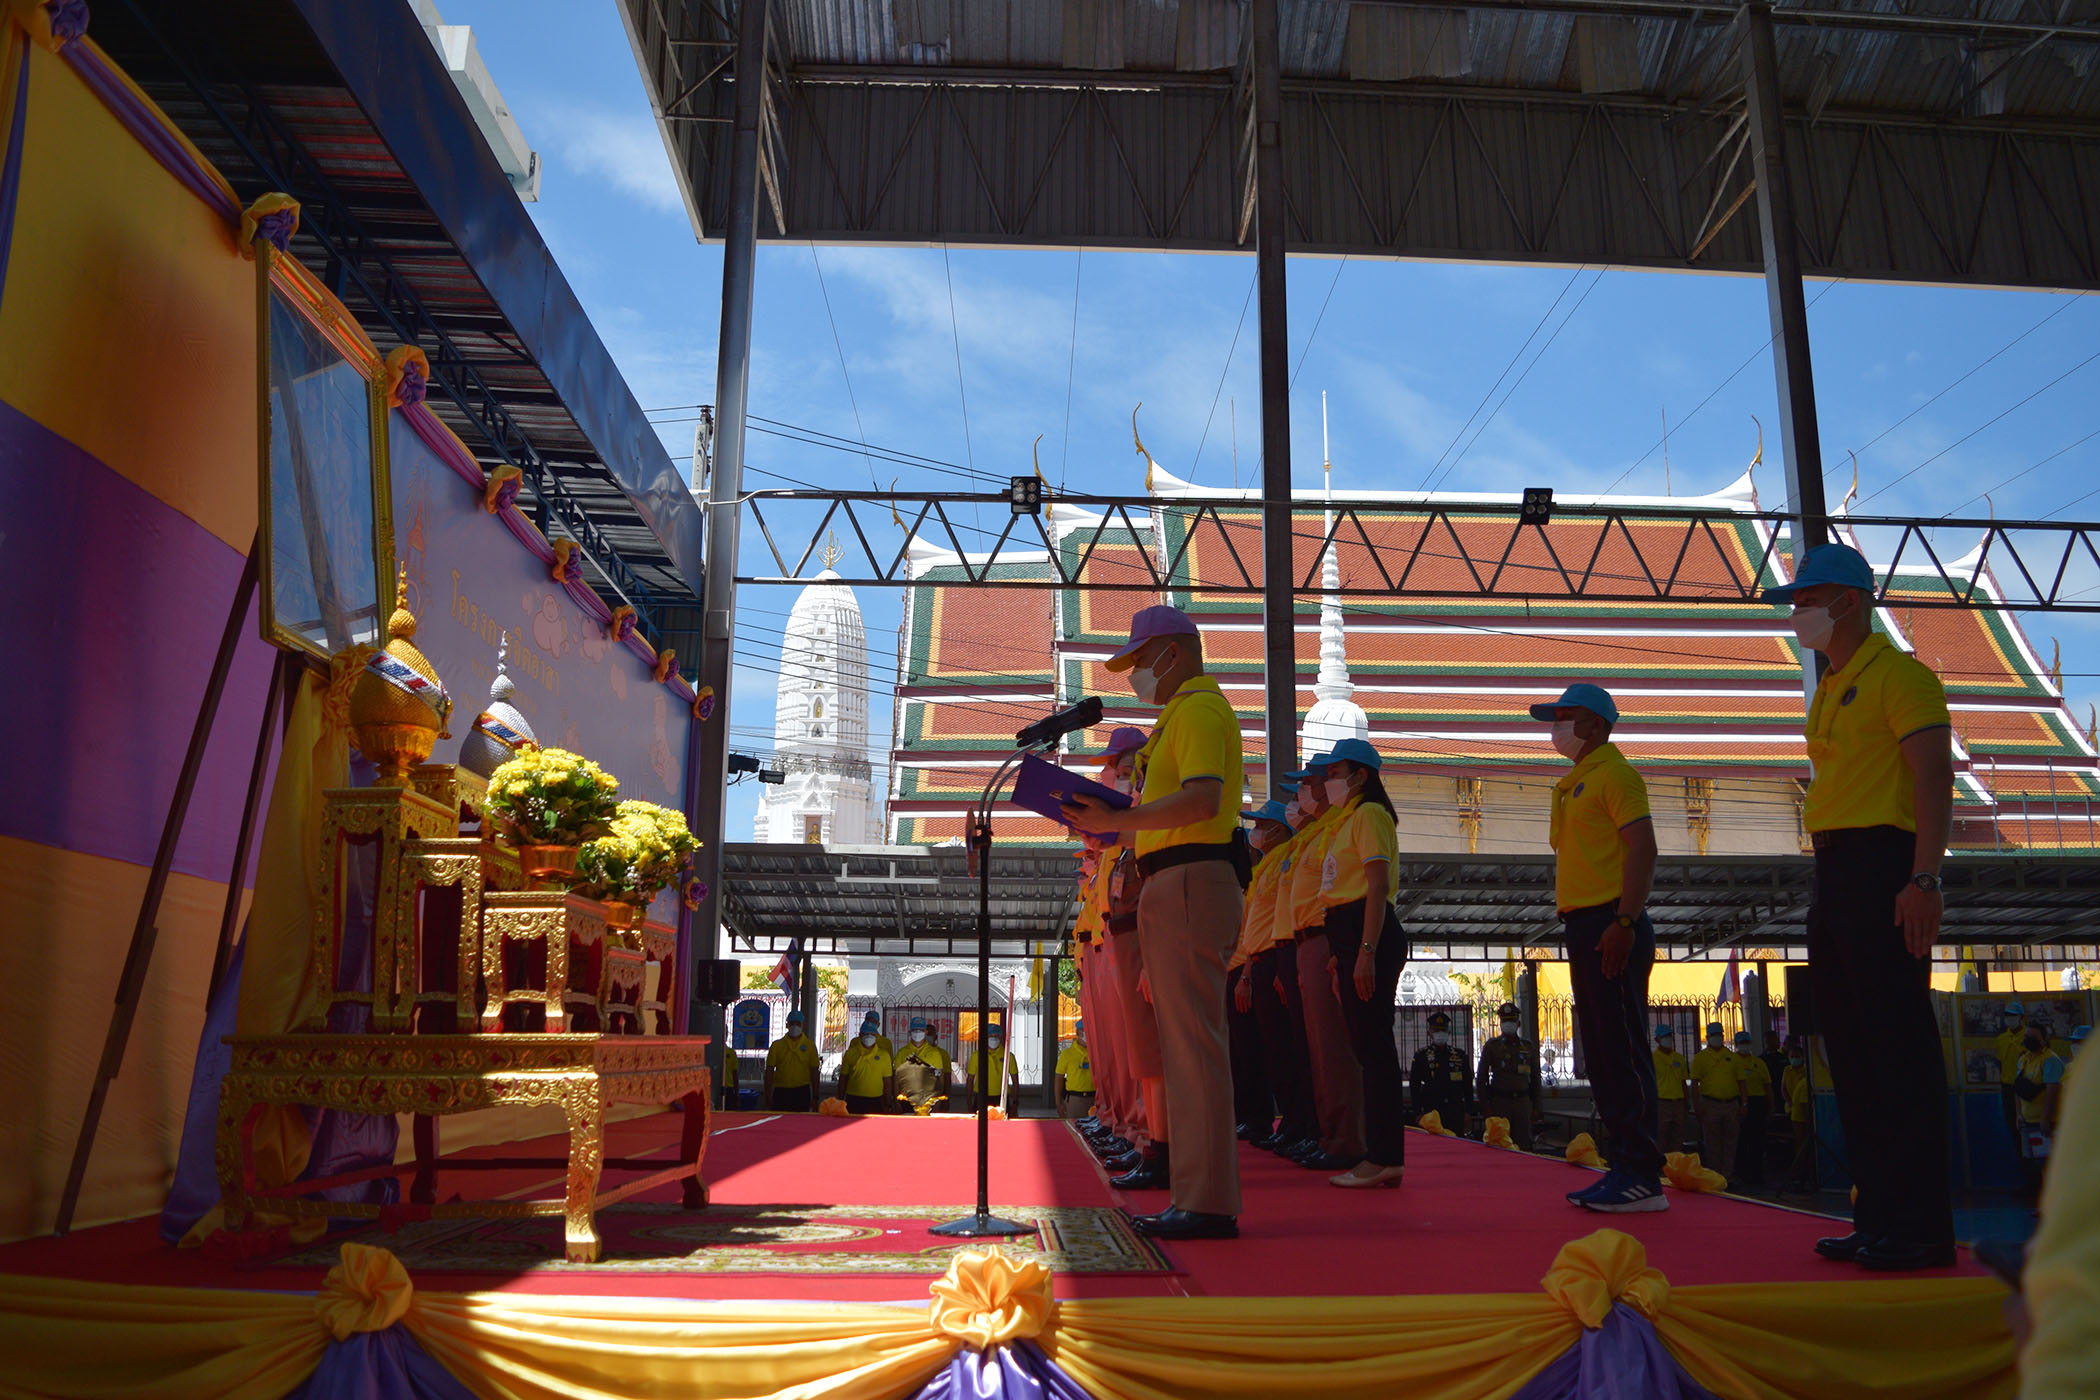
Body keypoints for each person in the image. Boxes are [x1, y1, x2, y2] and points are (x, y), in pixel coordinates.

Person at [1766, 542, 1956, 1270]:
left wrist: (1924, 879)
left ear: (1848, 602)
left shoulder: (1901, 677)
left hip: (1887, 865)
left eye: (1806, 600)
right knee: (1851, 1053)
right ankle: (1876, 1216)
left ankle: (1922, 1229)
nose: (1796, 614)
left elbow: (1932, 776)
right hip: (1835, 870)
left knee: (1897, 1050)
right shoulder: (1832, 685)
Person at [1065, 604, 1247, 1240]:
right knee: (1182, 1047)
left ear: (1174, 651)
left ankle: (1207, 1199)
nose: (1137, 673)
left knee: (1193, 1047)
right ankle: (1197, 1192)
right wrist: (1112, 826)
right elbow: (1172, 813)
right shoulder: (1176, 719)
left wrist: (1121, 821)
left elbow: (1202, 799)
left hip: (1192, 879)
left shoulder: (1197, 710)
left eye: (1141, 659)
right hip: (1172, 881)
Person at [1533, 683, 1667, 1214]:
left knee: (1623, 1049)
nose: (1556, 729)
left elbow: (1644, 848)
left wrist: (1625, 919)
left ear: (1596, 724)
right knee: (1604, 1051)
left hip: (1612, 920)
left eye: (1565, 717)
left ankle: (1641, 1174)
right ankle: (1624, 1168)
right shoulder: (1579, 781)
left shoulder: (1615, 775)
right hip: (1586, 923)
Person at [1312, 739, 1410, 1188]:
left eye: (1336, 773)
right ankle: (1381, 1155)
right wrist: (1342, 956)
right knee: (1366, 1048)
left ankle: (1384, 1155)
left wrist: (1366, 952)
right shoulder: (1348, 819)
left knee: (1375, 1050)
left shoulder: (1370, 814)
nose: (1328, 781)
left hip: (1368, 929)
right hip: (1348, 932)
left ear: (1361, 775)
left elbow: (1376, 886)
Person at [1279, 751, 1367, 1173]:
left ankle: (1345, 1138)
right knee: (1314, 1049)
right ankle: (1325, 1134)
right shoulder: (1314, 834)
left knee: (1333, 1047)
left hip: (1325, 936)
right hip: (1303, 941)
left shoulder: (1345, 824)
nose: (1302, 794)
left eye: (1310, 782)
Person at [2018, 1017, 2100, 1397]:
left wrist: (2047, 1120)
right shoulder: (2029, 1059)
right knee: (2037, 1167)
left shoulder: (2075, 1067)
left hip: (2049, 1122)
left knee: (2049, 1168)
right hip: (2031, 1120)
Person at [1234, 797, 1319, 1156]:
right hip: (1262, 961)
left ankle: (1302, 1124)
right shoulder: (1266, 867)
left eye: (1262, 826)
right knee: (1273, 1050)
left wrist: (1265, 970)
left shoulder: (1288, 858)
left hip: (1276, 957)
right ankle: (1292, 1124)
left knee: (1288, 1049)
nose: (1256, 833)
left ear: (1279, 830)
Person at [2012, 1023, 2068, 1202]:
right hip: (2027, 1123)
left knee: (2047, 1164)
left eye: (2033, 1037)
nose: (2028, 1040)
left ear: (2044, 1041)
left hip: (2044, 1124)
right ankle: (2039, 1201)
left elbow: (2052, 1090)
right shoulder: (2024, 1060)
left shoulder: (2050, 1060)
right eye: (2026, 1036)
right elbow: (2018, 1089)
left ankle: (2054, 1202)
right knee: (2031, 1164)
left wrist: (2045, 1119)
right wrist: (2019, 1114)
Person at [1478, 1001, 1542, 1150]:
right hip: (1500, 1103)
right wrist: (1486, 1107)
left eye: (1511, 1021)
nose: (1508, 1024)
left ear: (1518, 1023)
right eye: (1505, 1021)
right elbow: (1481, 1078)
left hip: (1522, 1103)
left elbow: (1535, 1078)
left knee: (1524, 1145)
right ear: (1500, 1024)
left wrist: (1536, 1106)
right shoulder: (1492, 1046)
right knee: (1500, 1144)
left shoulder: (1527, 1047)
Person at [1691, 1021, 1745, 1180]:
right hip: (1710, 1105)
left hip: (1731, 1105)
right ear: (1707, 1037)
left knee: (1730, 1143)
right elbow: (1694, 1083)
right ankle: (1714, 1177)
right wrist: (1697, 1105)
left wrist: (1744, 1103)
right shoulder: (1700, 1058)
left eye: (1719, 1035)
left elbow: (1742, 1083)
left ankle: (1727, 1176)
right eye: (1714, 1035)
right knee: (1712, 1143)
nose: (1717, 1038)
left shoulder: (1733, 1057)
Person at [1411, 1011, 1473, 1136]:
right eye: (1436, 1030)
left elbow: (1467, 1085)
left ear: (1448, 1032)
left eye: (1443, 1030)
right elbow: (1414, 1086)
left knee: (1456, 1143)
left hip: (1455, 1111)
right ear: (1429, 1033)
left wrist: (1469, 1112)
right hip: (1431, 1112)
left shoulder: (1459, 1055)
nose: (1440, 1033)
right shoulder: (1421, 1056)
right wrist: (1417, 1112)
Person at [1734, 1029, 1773, 1187]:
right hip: (1740, 1103)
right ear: (1736, 1044)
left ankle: (1757, 1175)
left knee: (1757, 1142)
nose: (1744, 1046)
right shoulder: (1733, 1062)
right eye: (1741, 1043)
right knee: (1741, 1141)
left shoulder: (1759, 1063)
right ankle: (1742, 1175)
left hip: (1758, 1103)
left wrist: (1771, 1106)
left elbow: (1767, 1086)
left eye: (1746, 1043)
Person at [763, 1010, 821, 1112]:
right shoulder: (777, 1046)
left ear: (803, 1025)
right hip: (781, 1091)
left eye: (798, 1023)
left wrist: (815, 1097)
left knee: (800, 1121)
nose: (795, 1026)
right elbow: (769, 1072)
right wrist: (768, 1095)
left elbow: (815, 1072)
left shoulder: (810, 1046)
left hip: (802, 1091)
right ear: (787, 1025)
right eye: (792, 1023)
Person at [1781, 1037, 1816, 1194]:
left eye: (1797, 1056)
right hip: (1795, 1111)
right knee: (1800, 1143)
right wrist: (1790, 1103)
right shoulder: (1787, 1071)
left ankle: (1807, 1173)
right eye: (1792, 1056)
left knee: (1806, 1144)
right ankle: (1800, 1173)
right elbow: (1784, 1089)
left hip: (1803, 1110)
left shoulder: (1808, 1073)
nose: (1794, 1059)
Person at [894, 1016, 950, 1111]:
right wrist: (897, 1102)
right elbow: (896, 1080)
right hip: (907, 1100)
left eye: (920, 1030)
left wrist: (938, 1102)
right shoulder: (902, 1053)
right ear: (910, 1032)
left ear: (925, 1032)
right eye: (915, 1030)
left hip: (929, 1101)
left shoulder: (935, 1053)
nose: (917, 1033)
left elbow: (940, 1080)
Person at [839, 1020, 895, 1115]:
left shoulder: (884, 1055)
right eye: (866, 1033)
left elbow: (887, 1082)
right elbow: (843, 1078)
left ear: (876, 1036)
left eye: (872, 1034)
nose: (869, 1036)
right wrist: (840, 1099)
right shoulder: (850, 1053)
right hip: (853, 1099)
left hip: (876, 1100)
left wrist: (888, 1103)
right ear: (860, 1035)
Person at [1996, 1001, 2030, 1155]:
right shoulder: (2001, 1039)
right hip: (2008, 1088)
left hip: (2026, 1087)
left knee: (2028, 1126)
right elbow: (2000, 1062)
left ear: (2021, 1017)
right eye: (2007, 1015)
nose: (2009, 1018)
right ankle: (2022, 1160)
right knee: (2013, 1127)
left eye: (2013, 1015)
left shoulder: (2028, 1036)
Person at [1652, 1026, 1691, 1153]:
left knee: (1678, 1139)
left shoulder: (1679, 1058)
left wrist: (1687, 1102)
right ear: (1657, 1039)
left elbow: (1683, 1082)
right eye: (1664, 1036)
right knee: (1661, 1138)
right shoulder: (1652, 1059)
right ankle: (1661, 1164)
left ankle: (1675, 1164)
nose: (1668, 1039)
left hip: (1678, 1103)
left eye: (1669, 1036)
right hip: (1662, 1103)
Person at [967, 1023, 1019, 1114]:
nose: (993, 1039)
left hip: (1001, 1097)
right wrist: (969, 1101)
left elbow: (1015, 1080)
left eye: (996, 1036)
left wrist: (1015, 1102)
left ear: (1000, 1037)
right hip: (981, 1097)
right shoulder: (976, 1055)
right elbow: (970, 1079)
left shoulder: (1008, 1056)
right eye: (990, 1036)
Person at [1056, 1024, 1096, 1120]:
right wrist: (1058, 1103)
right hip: (1075, 1099)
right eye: (1085, 1031)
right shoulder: (1067, 1054)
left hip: (1094, 1099)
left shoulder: (1097, 1053)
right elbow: (1058, 1079)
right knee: (1073, 1127)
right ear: (1078, 1033)